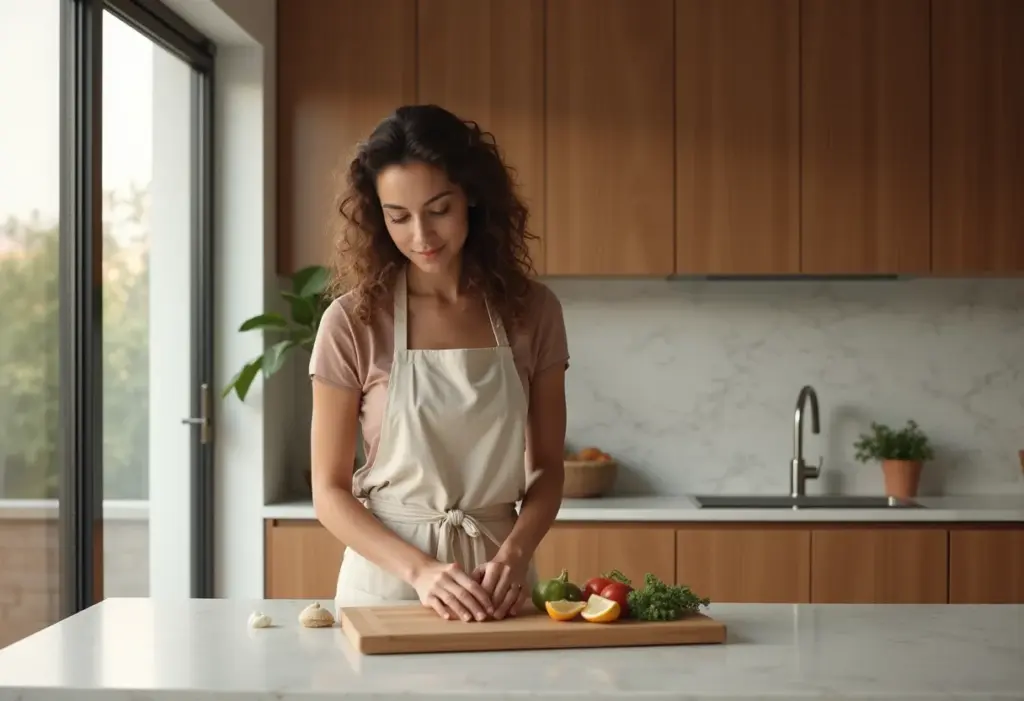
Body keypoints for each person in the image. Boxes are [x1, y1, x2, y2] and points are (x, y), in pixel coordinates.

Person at [308, 104, 569, 623]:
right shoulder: (352, 321)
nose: (421, 236)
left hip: (498, 585)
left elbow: (547, 468)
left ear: (472, 196)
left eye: (439, 209)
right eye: (398, 216)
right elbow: (329, 491)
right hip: (387, 585)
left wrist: (514, 556)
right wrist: (420, 571)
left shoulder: (532, 312)